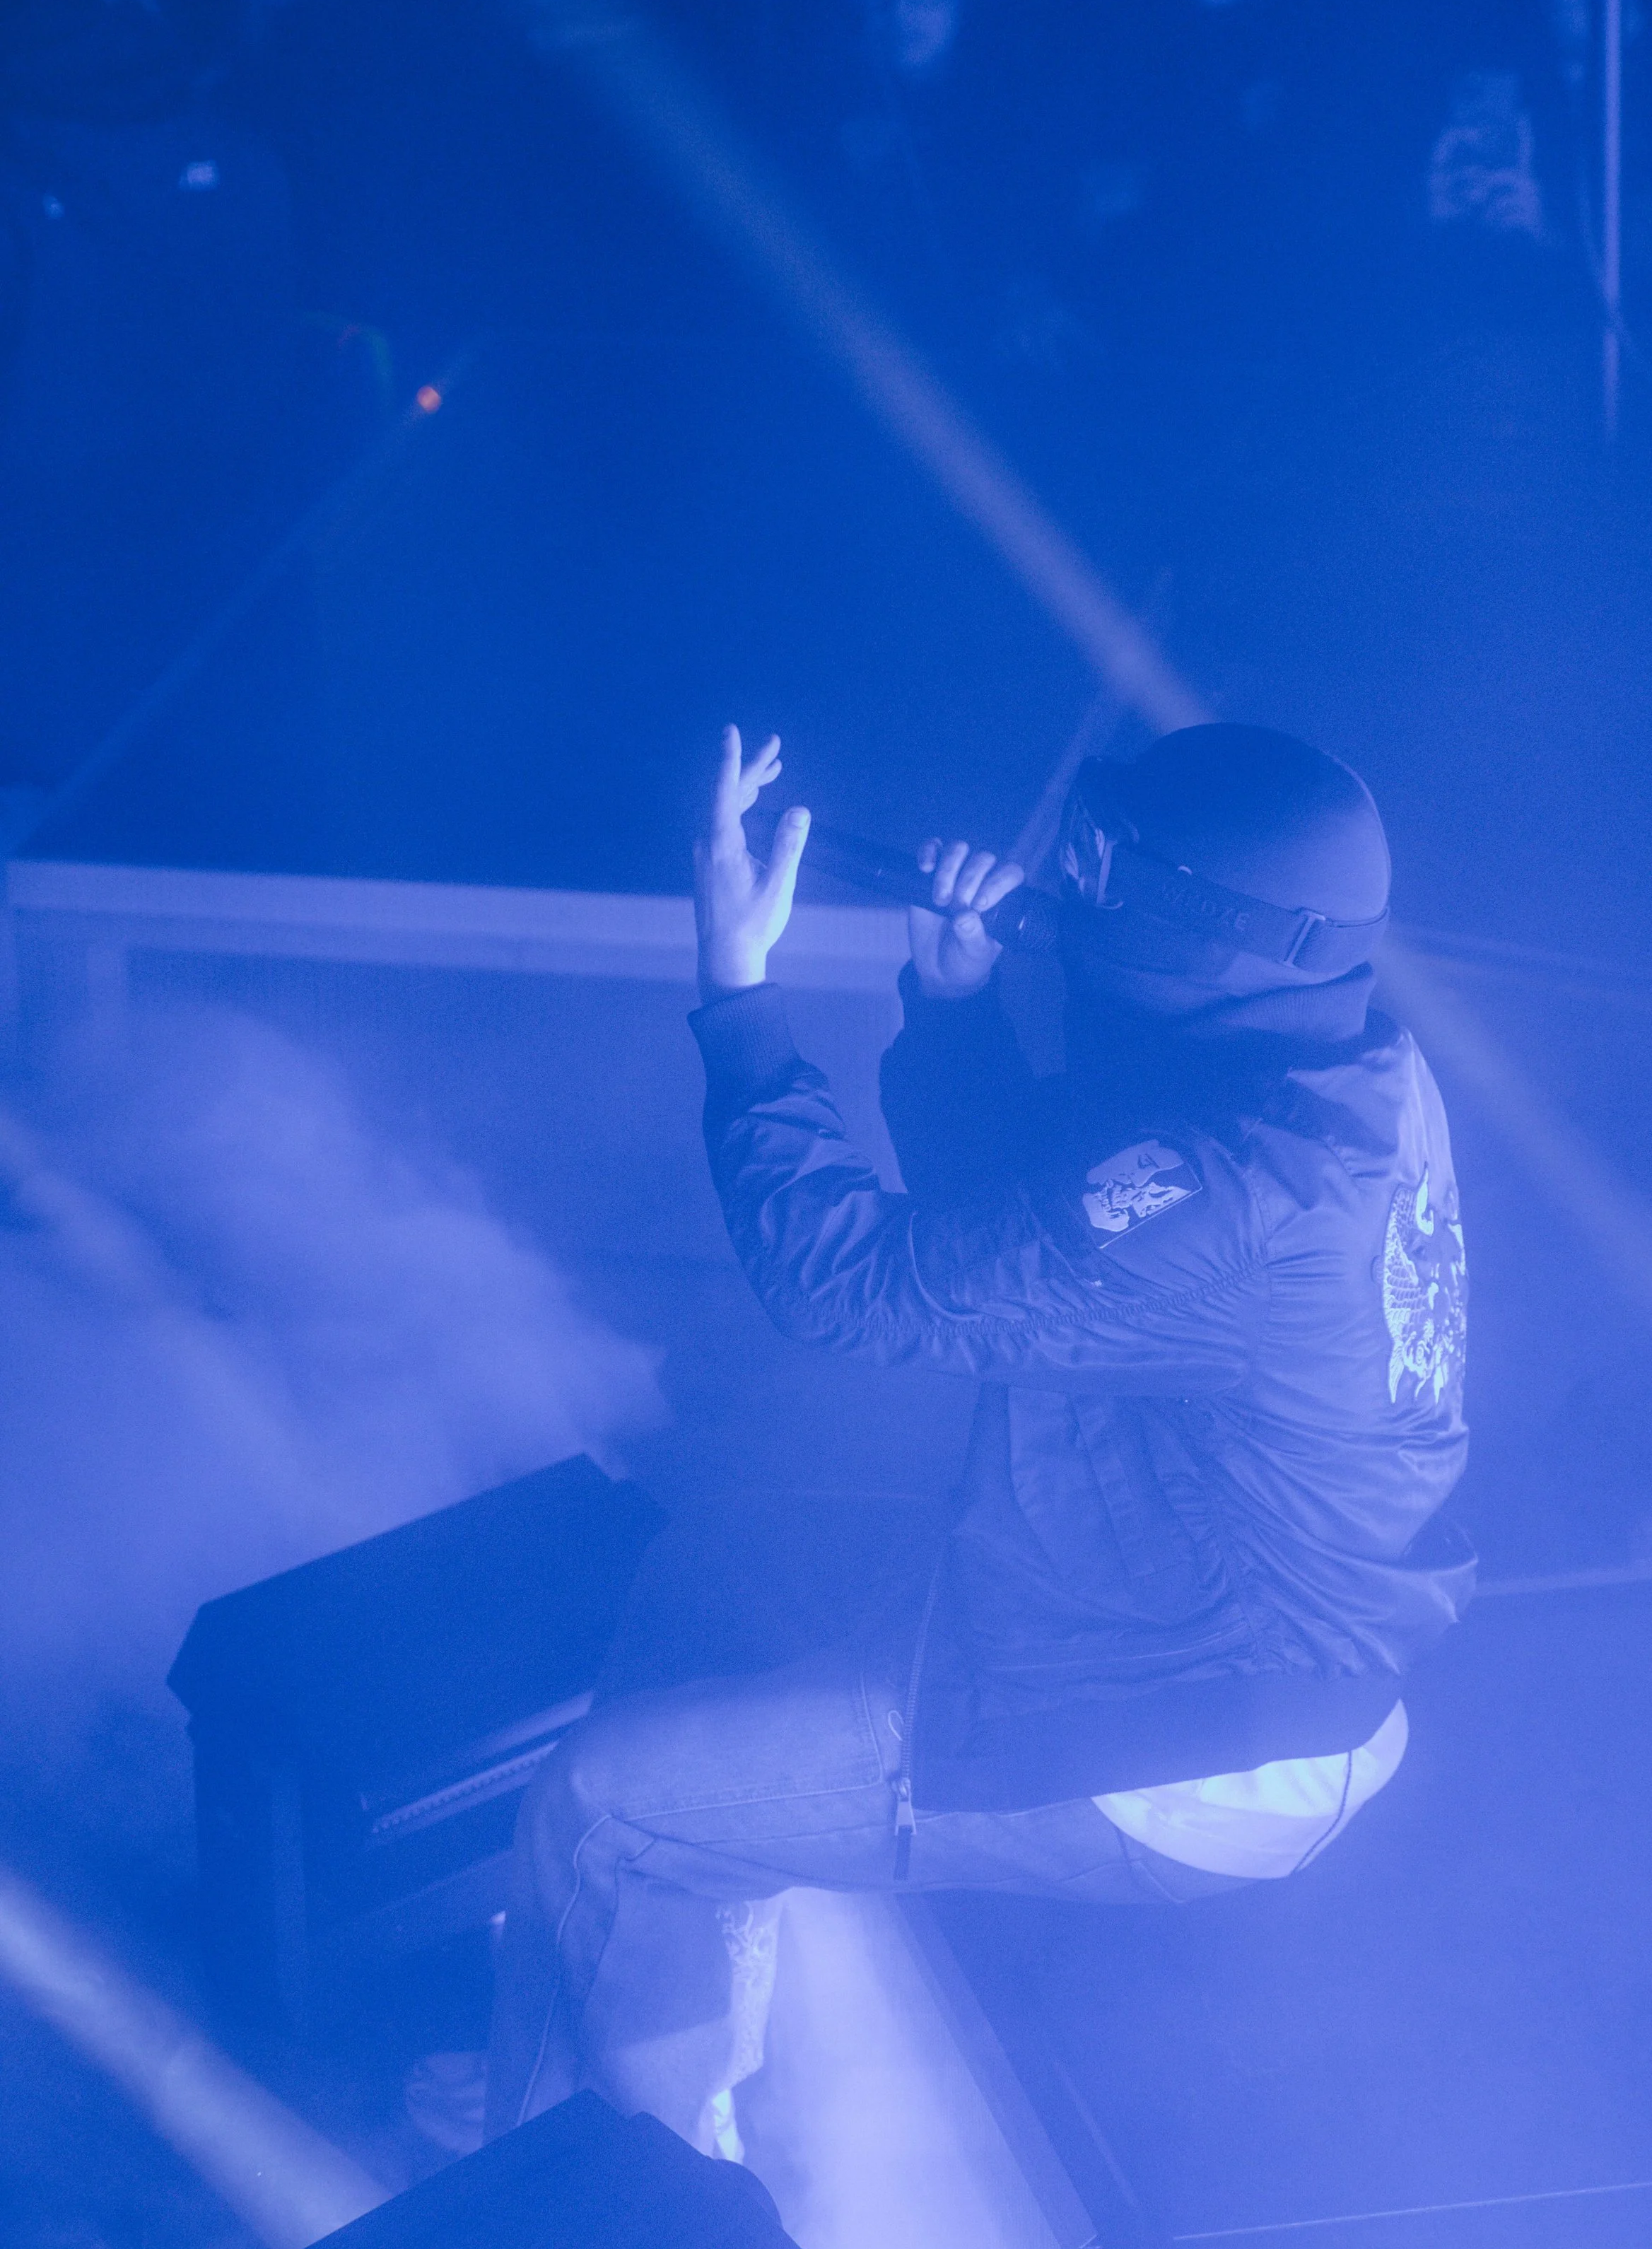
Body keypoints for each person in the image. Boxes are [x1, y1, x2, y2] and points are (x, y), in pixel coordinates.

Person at [481, 720, 1472, 2154]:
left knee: (601, 1812)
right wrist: (954, 1010)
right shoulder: (1343, 1078)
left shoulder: (1238, 1193)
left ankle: (627, 2230)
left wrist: (734, 990)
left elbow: (851, 1285)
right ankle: (600, 2046)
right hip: (1205, 1639)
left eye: (1099, 866)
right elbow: (1037, 1259)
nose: (1066, 880)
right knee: (704, 1602)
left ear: (1199, 922)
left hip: (1175, 1731)